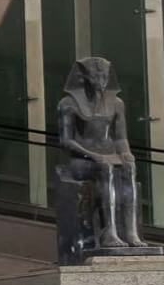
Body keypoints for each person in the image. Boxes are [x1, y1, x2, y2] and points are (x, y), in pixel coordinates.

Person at [55, 55, 146, 252]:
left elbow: (120, 137)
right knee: (106, 168)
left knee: (129, 168)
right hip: (81, 160)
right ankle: (109, 231)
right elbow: (66, 141)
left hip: (108, 154)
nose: (100, 81)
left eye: (103, 77)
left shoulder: (117, 103)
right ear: (84, 79)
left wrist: (126, 153)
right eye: (95, 77)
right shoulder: (68, 104)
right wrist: (92, 155)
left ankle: (130, 231)